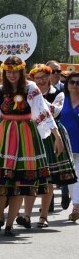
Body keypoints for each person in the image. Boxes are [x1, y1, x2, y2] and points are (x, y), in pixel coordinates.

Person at [0, 56, 63, 236]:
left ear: (21, 71)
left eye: (15, 71)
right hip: (4, 135)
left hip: (26, 136)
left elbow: (43, 112)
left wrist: (57, 136)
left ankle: (10, 224)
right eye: (8, 71)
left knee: (20, 181)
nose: (11, 75)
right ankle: (0, 217)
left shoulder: (31, 89)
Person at [16, 64, 76, 228]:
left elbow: (55, 111)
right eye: (37, 78)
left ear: (50, 77)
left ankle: (43, 216)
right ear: (32, 79)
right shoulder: (28, 92)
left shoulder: (59, 94)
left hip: (51, 134)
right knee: (31, 176)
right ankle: (27, 216)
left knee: (48, 177)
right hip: (32, 134)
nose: (41, 81)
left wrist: (36, 97)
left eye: (44, 77)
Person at [53, 71, 79, 221]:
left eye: (78, 83)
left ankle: (76, 206)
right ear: (67, 84)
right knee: (70, 176)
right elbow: (54, 111)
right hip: (65, 143)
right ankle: (75, 203)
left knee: (78, 175)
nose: (75, 85)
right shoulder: (62, 98)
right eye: (72, 82)